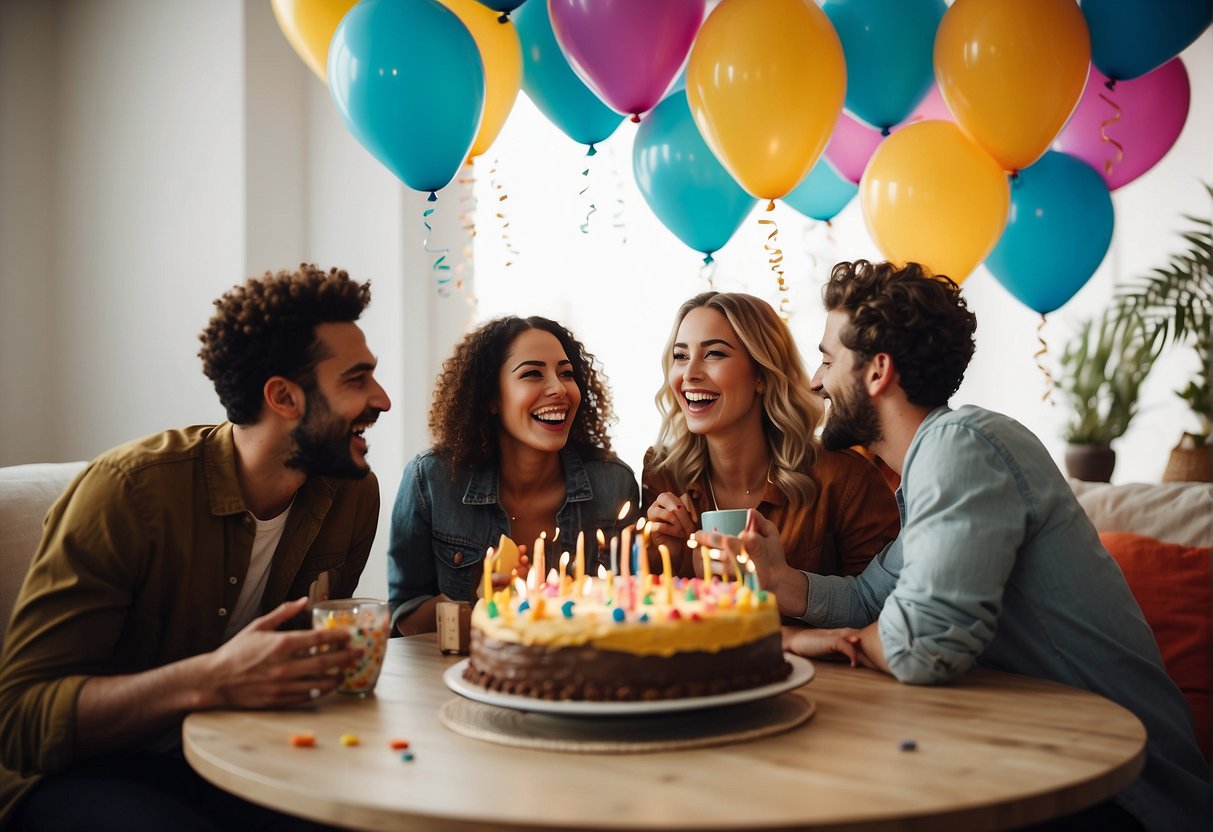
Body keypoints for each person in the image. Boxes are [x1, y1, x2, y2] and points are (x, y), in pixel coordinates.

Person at [723, 260, 1210, 832]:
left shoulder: (960, 447)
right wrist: (781, 579)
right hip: (1041, 757)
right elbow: (871, 597)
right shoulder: (938, 458)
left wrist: (844, 641)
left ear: (878, 370)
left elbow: (921, 648)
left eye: (829, 359)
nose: (814, 381)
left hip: (1123, 792)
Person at [0, 265, 392, 830]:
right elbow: (21, 721)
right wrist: (210, 679)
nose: (381, 398)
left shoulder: (352, 494)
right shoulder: (129, 493)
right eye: (357, 380)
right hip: (81, 774)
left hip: (237, 753)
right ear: (283, 396)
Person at [389, 316, 638, 636]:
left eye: (566, 373)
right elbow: (403, 615)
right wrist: (478, 602)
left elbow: (633, 608)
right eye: (532, 374)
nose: (559, 388)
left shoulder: (614, 484)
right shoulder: (431, 481)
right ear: (491, 397)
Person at [643, 291, 899, 592]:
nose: (689, 373)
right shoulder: (663, 475)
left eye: (714, 354)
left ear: (762, 376)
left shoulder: (844, 479)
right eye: (681, 356)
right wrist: (666, 560)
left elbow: (878, 609)